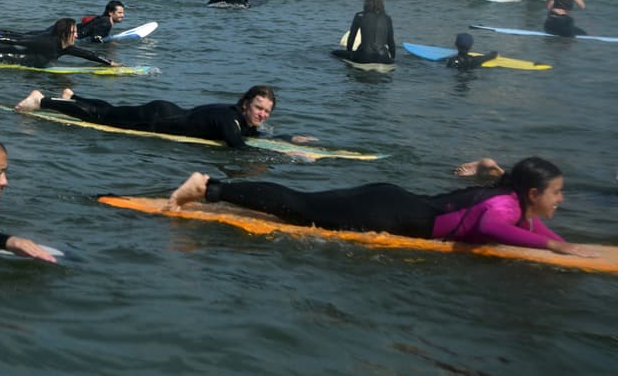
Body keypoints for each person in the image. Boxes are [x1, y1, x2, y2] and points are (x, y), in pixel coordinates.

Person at [165, 157, 590, 256]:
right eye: (557, 193)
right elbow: (497, 228)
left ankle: (212, 188)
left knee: (300, 201)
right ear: (532, 195)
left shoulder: (513, 204)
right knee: (294, 206)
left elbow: (527, 228)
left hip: (391, 201)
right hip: (384, 213)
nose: (561, 199)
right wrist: (555, 250)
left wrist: (561, 242)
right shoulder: (502, 209)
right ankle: (208, 188)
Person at [14, 85, 314, 149]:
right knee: (100, 120)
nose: (262, 114)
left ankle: (73, 97)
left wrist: (289, 138)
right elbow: (240, 149)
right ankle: (43, 101)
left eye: (266, 111)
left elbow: (255, 136)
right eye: (258, 107)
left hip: (165, 110)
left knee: (112, 110)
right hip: (156, 120)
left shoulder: (239, 118)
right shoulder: (230, 121)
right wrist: (287, 155)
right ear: (246, 104)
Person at [0, 19, 118, 69]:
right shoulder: (47, 42)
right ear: (64, 33)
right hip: (0, 57)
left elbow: (86, 54)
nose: (77, 34)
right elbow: (17, 38)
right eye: (74, 32)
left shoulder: (65, 47)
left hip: (8, 54)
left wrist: (109, 63)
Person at [331, 0, 395, 64]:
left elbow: (351, 37)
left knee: (333, 52)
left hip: (364, 57)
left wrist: (350, 53)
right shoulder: (387, 18)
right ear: (381, 5)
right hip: (383, 57)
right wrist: (392, 59)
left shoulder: (359, 16)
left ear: (366, 4)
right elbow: (391, 42)